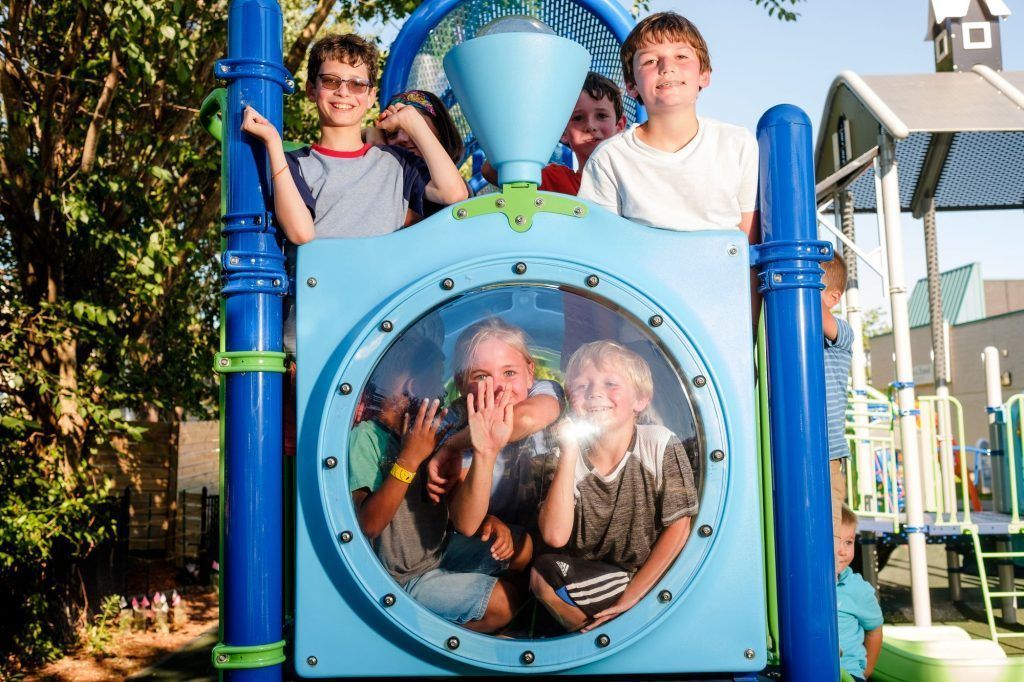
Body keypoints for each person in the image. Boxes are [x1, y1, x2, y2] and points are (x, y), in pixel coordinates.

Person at [348, 334, 516, 632]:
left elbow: (451, 504)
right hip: (399, 581)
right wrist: (409, 461)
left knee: (521, 548)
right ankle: (416, 645)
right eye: (436, 380)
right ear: (413, 387)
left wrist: (488, 520)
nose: (441, 390)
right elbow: (368, 524)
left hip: (439, 553)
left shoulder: (430, 433)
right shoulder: (368, 438)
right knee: (504, 604)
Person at [531, 341, 698, 632]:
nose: (595, 393)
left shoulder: (658, 443)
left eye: (610, 383)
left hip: (647, 574)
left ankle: (602, 637)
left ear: (641, 400)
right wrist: (570, 451)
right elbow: (555, 536)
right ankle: (594, 637)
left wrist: (635, 594)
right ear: (571, 399)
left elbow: (680, 526)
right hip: (591, 576)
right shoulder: (561, 459)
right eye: (582, 385)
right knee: (541, 574)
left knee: (542, 579)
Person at [577, 12, 758, 241]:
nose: (666, 67)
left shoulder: (737, 144)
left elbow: (750, 244)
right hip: (639, 276)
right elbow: (599, 244)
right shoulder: (610, 158)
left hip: (724, 273)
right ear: (632, 85)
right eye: (649, 61)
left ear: (704, 75)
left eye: (681, 56)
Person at [438, 318, 564, 571]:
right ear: (461, 383)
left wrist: (453, 446)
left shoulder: (543, 390)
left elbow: (526, 418)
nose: (498, 387)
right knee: (515, 547)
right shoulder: (456, 420)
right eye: (482, 376)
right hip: (502, 536)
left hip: (554, 524)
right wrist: (483, 451)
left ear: (530, 373)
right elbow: (465, 522)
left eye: (509, 373)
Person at [482, 72, 626, 194]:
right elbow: (490, 170)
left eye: (601, 116)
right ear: (563, 132)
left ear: (619, 126)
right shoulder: (555, 180)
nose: (590, 126)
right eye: (578, 118)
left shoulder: (631, 181)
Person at [822, 254, 854, 540]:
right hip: (787, 449)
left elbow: (818, 315)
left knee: (827, 532)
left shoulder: (842, 333)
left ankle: (827, 579)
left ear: (833, 297)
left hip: (828, 453)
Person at [836, 504, 883, 681]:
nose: (842, 551)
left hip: (848, 672)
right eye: (835, 541)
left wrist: (866, 670)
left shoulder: (857, 589)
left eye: (848, 542)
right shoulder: (801, 583)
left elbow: (875, 630)